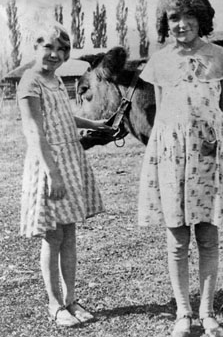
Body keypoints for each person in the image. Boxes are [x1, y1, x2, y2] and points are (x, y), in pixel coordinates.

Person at [138, 0, 223, 337]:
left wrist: (215, 146)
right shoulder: (160, 62)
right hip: (172, 159)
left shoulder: (221, 58)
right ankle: (183, 312)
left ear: (202, 18)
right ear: (166, 22)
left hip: (209, 156)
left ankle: (208, 312)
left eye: (188, 16)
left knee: (208, 237)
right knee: (177, 240)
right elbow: (161, 117)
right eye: (174, 17)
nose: (181, 24)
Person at [18, 23, 113, 327]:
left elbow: (63, 115)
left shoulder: (56, 80)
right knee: (53, 236)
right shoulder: (29, 82)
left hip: (69, 157)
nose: (55, 54)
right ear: (35, 47)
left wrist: (96, 125)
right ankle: (55, 304)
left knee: (69, 232)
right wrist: (52, 173)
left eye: (62, 49)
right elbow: (34, 130)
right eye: (49, 47)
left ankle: (72, 299)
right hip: (49, 162)